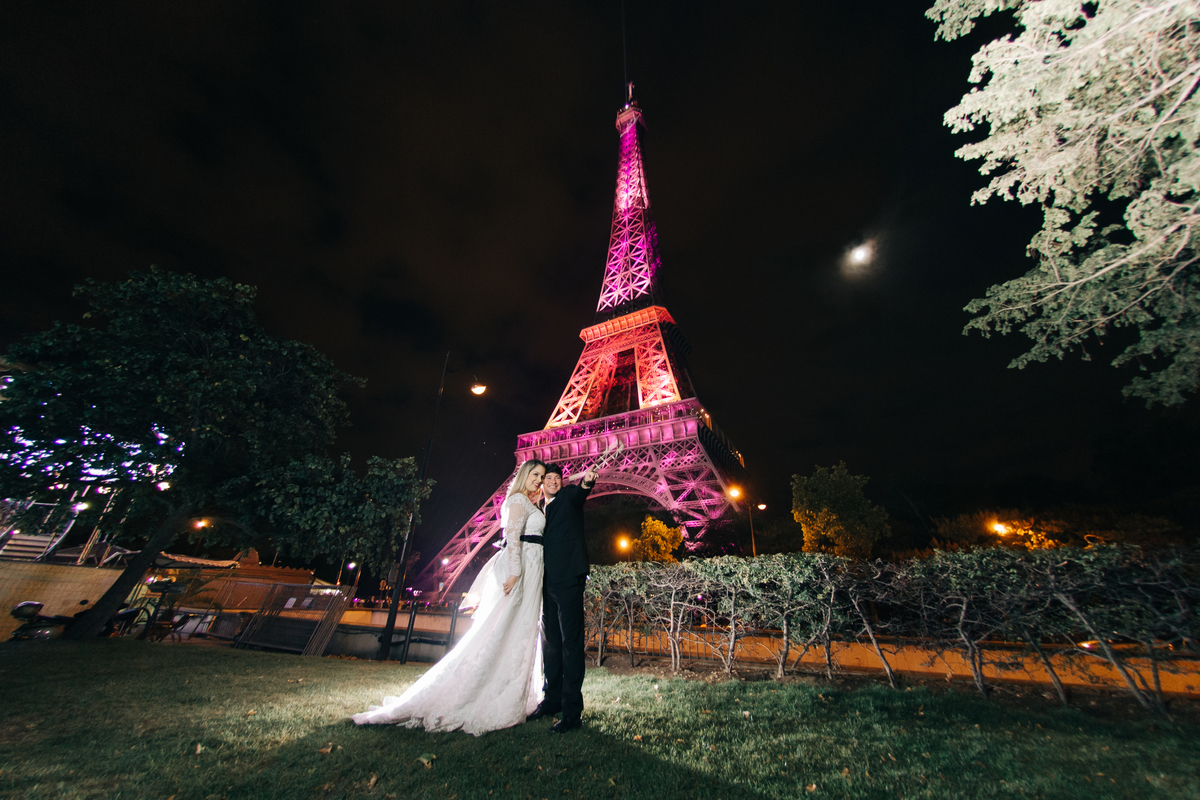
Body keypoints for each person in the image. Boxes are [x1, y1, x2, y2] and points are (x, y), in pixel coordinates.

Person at [352, 459, 548, 736]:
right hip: (521, 570)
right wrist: (515, 572)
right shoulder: (518, 500)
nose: (539, 480)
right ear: (524, 474)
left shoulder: (529, 502)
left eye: (542, 475)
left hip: (531, 568)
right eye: (535, 474)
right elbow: (512, 536)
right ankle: (485, 695)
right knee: (505, 629)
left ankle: (508, 692)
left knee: (517, 631)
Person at [527, 461, 597, 733]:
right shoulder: (539, 509)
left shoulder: (568, 497)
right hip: (545, 583)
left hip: (568, 580)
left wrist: (587, 482)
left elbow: (580, 494)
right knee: (551, 645)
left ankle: (571, 712)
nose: (553, 481)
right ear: (541, 483)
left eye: (557, 477)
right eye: (549, 478)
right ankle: (552, 699)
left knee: (570, 645)